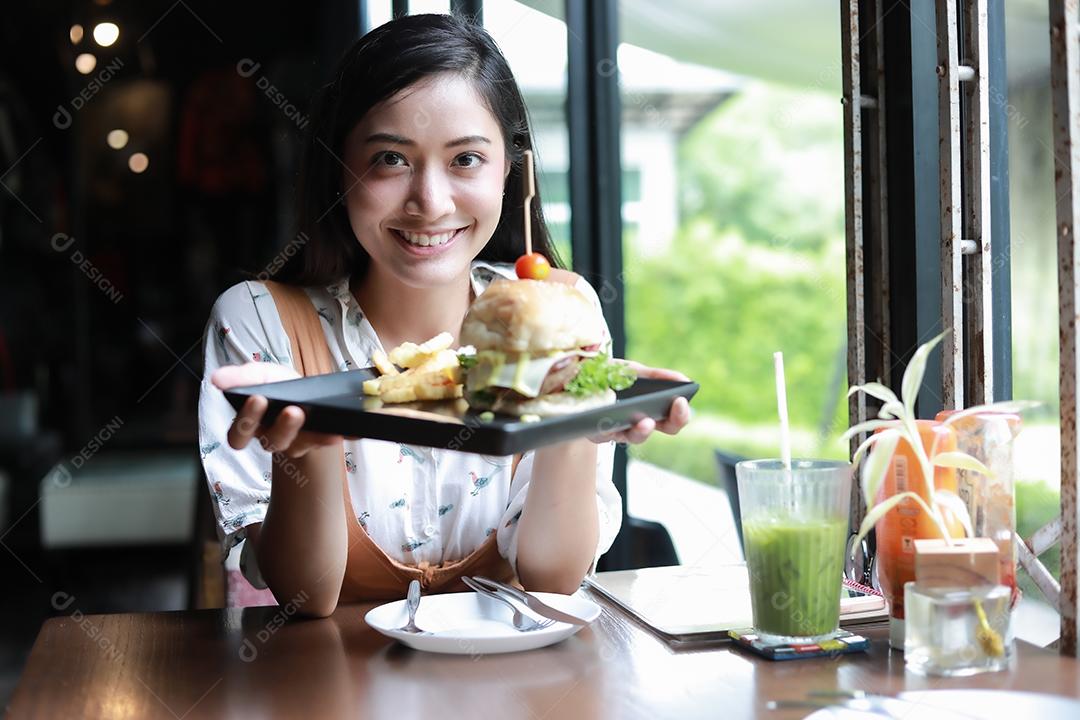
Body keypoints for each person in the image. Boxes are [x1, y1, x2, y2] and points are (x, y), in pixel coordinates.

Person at [199, 13, 691, 618]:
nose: (430, 203)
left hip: (520, 675)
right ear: (338, 168)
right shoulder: (260, 321)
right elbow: (307, 598)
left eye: (466, 160)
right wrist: (308, 445)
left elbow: (551, 581)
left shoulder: (561, 313)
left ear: (510, 170)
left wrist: (573, 418)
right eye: (390, 158)